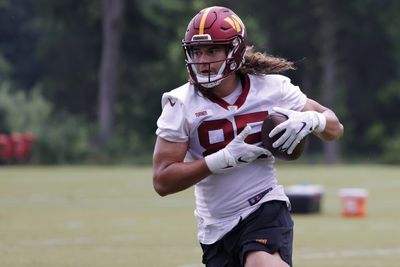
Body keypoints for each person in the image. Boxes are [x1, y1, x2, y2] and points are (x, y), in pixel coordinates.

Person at [152, 6, 343, 267]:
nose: (203, 59)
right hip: (216, 227)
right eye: (197, 51)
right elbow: (162, 181)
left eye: (213, 50)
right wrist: (219, 161)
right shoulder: (180, 103)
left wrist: (314, 120)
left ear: (235, 51)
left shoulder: (272, 88)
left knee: (261, 263)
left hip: (265, 206)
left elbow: (335, 129)